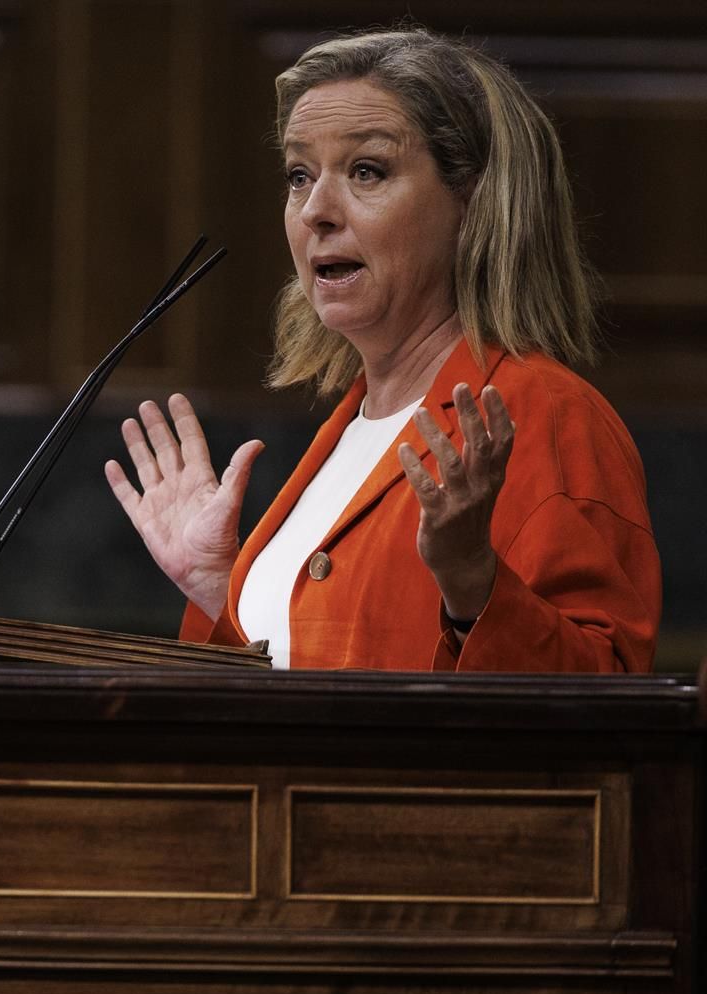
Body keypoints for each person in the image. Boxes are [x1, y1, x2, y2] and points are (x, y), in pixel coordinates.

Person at [105, 27, 660, 672]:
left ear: (473, 201)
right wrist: (221, 588)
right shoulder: (353, 426)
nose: (316, 210)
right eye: (299, 175)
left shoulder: (549, 418)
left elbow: (606, 707)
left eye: (367, 170)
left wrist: (474, 583)